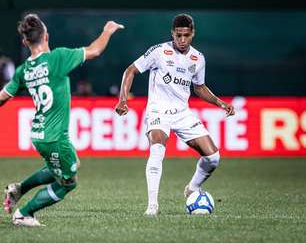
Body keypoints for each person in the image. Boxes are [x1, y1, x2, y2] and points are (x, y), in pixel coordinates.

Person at [0, 14, 124, 226]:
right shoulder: (58, 58)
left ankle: (19, 189)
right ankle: (25, 214)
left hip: (39, 134)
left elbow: (2, 97)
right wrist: (108, 30)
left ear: (25, 41)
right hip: (54, 137)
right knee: (68, 182)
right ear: (46, 36)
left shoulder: (23, 71)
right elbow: (95, 50)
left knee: (70, 163)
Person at [115, 14, 234, 216]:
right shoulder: (159, 51)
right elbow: (130, 70)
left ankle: (192, 189)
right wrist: (123, 99)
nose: (182, 40)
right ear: (172, 33)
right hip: (158, 110)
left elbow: (199, 87)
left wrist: (219, 102)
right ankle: (152, 206)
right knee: (157, 150)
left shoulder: (198, 58)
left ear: (192, 34)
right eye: (178, 35)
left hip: (182, 113)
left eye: (186, 35)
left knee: (213, 157)